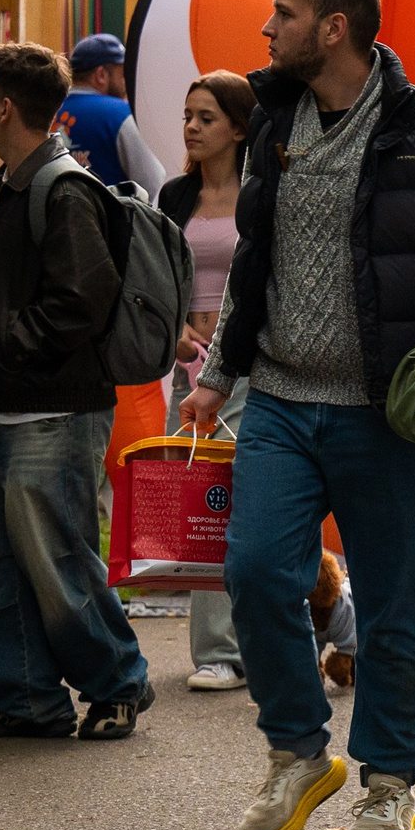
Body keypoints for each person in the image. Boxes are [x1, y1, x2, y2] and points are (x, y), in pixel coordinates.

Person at [178, 0, 415, 830]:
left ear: (336, 26)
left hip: (389, 409)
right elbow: (252, 259)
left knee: (394, 607)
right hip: (278, 395)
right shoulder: (275, 117)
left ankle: (389, 784)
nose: (268, 31)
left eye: (284, 13)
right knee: (256, 574)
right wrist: (216, 379)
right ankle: (299, 753)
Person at [0, 42, 155, 742]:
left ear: (6, 107)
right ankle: (27, 697)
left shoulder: (62, 189)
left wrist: (8, 351)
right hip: (8, 408)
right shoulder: (12, 185)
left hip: (56, 412)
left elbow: (82, 301)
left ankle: (117, 684)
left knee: (61, 558)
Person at [156, 70, 257, 691]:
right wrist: (169, 330)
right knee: (197, 498)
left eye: (206, 118)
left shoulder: (260, 196)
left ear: (239, 128)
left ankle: (224, 650)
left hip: (247, 368)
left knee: (236, 500)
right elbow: (154, 278)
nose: (191, 127)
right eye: (188, 115)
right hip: (187, 369)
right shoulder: (173, 197)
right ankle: (326, 609)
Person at [53, 32, 166, 197]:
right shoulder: (120, 114)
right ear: (101, 75)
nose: (125, 82)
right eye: (122, 74)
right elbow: (153, 184)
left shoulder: (47, 110)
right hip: (106, 220)